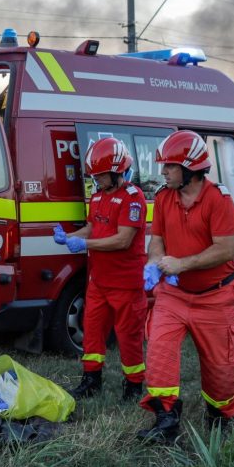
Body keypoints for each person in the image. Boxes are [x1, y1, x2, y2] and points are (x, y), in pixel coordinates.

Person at [139, 130, 234, 443]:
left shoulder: (219, 201)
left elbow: (225, 249)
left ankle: (220, 416)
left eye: (170, 166)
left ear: (190, 169)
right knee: (159, 351)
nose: (163, 171)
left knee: (221, 368)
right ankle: (166, 419)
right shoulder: (165, 197)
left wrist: (181, 264)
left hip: (215, 297)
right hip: (174, 294)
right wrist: (155, 263)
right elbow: (157, 241)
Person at [54, 137, 147, 401]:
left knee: (129, 337)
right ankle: (91, 380)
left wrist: (83, 243)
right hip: (99, 281)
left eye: (101, 175)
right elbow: (93, 227)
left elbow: (123, 239)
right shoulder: (97, 197)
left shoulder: (133, 198)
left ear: (117, 171)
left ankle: (133, 386)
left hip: (126, 283)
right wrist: (70, 236)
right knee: (92, 332)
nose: (96, 180)